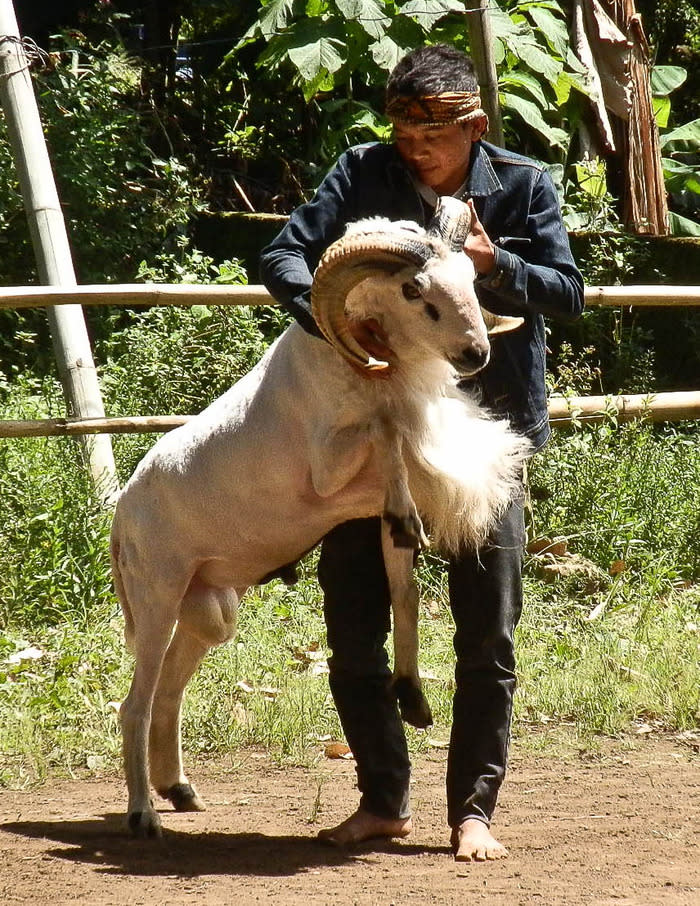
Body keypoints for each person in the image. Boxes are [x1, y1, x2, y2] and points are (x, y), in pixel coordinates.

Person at [260, 43, 584, 862]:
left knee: (487, 633)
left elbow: (567, 293)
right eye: (403, 134)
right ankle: (381, 802)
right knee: (353, 621)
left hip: (487, 435)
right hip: (376, 436)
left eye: (432, 136)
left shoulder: (522, 184)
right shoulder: (361, 172)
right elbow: (282, 257)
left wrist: (494, 262)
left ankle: (473, 813)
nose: (415, 149)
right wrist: (333, 319)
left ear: (475, 125)